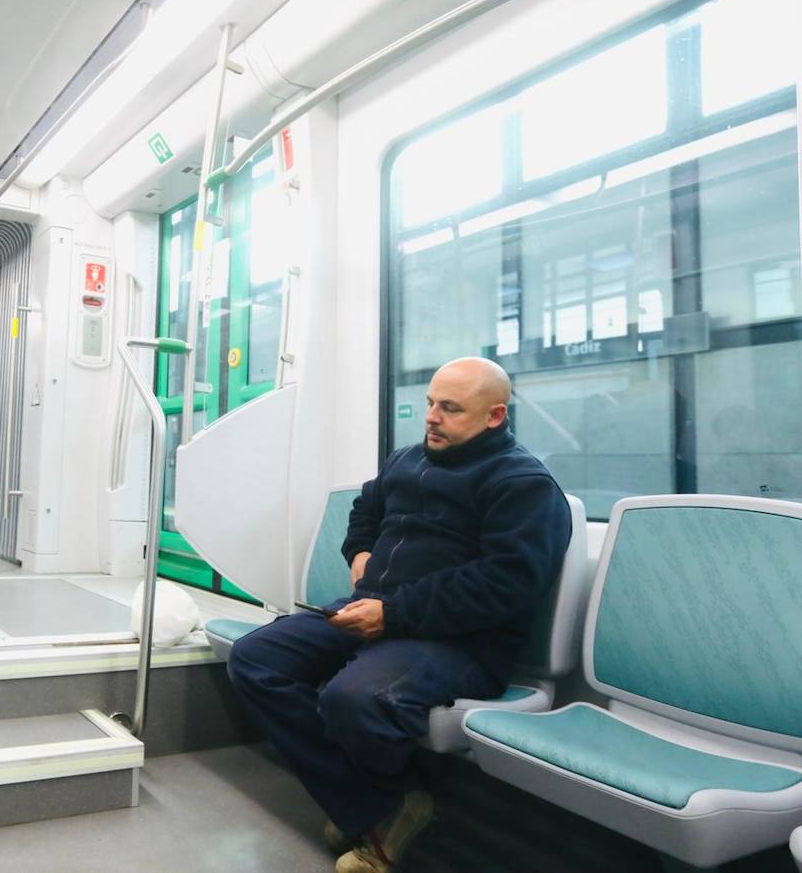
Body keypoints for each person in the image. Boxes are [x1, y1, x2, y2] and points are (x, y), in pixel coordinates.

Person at [227, 357, 571, 873]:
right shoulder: (406, 460)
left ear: (494, 416)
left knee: (355, 698)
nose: (431, 416)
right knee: (256, 659)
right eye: (431, 403)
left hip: (461, 641)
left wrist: (393, 613)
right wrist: (359, 552)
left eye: (450, 409)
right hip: (376, 610)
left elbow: (505, 585)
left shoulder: (522, 485)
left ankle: (374, 815)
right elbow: (365, 510)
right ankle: (383, 804)